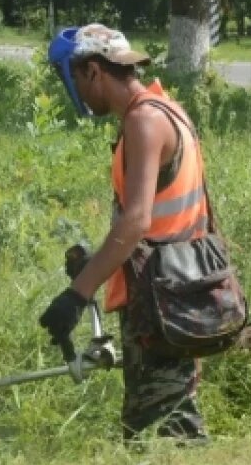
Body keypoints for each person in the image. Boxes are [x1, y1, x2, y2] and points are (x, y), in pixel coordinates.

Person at [39, 23, 211, 443]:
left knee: (160, 435)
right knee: (162, 427)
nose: (78, 93)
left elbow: (136, 222)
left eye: (76, 79)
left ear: (93, 71)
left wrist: (78, 294)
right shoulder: (164, 109)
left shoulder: (144, 122)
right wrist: (99, 264)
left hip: (162, 299)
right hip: (175, 290)